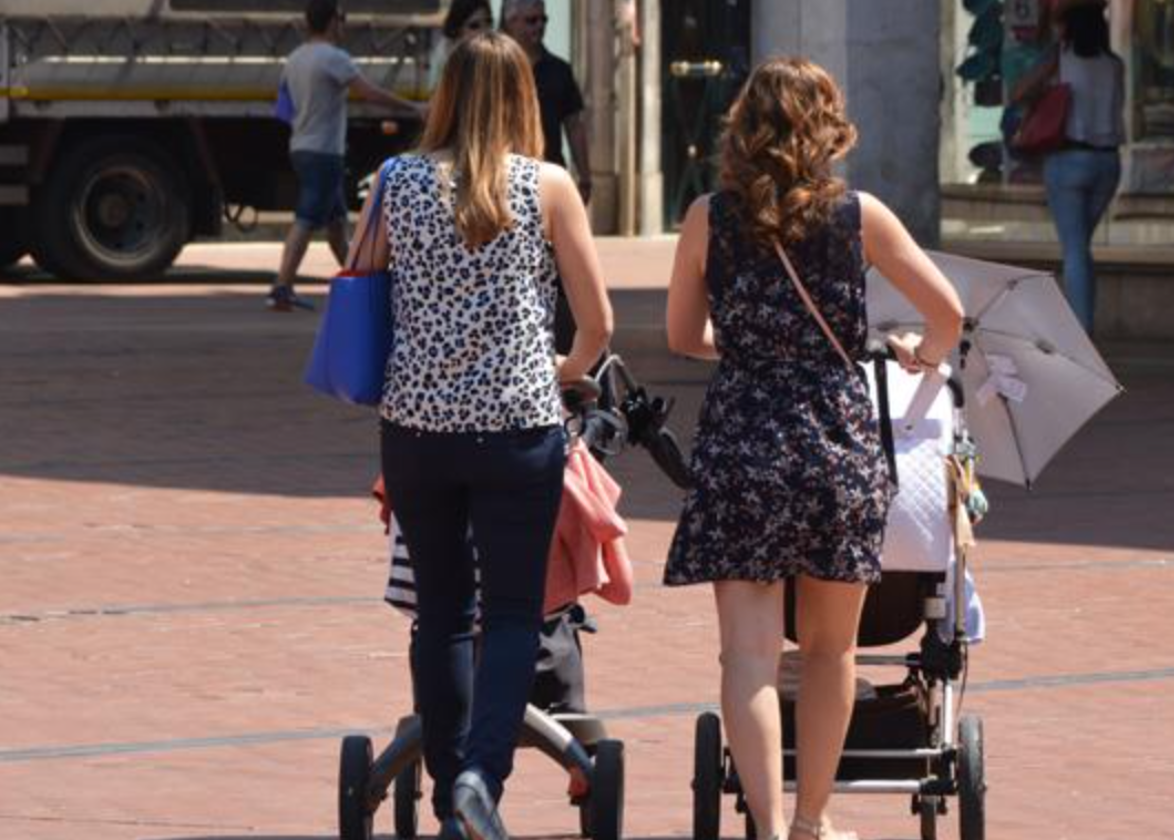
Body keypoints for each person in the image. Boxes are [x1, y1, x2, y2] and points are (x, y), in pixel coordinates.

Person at [663, 58, 963, 840]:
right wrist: (917, 355)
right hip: (835, 442)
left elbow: (680, 337)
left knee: (748, 659)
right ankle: (811, 821)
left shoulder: (707, 216)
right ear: (825, 126)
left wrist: (752, 340)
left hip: (741, 439)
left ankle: (764, 827)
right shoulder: (860, 216)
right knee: (832, 654)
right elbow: (949, 314)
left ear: (744, 126)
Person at [346, 31, 612, 840]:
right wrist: (560, 370)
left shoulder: (397, 182)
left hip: (418, 430)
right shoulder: (549, 186)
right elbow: (597, 324)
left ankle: (444, 789)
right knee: (510, 614)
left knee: (440, 614)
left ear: (446, 94)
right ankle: (477, 780)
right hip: (516, 427)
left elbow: (359, 281)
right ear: (523, 98)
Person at [268, 0, 424, 312]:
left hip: (301, 145)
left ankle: (360, 283)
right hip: (324, 150)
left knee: (337, 223)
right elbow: (369, 93)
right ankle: (281, 287)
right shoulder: (334, 58)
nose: (344, 25)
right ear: (332, 22)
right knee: (307, 218)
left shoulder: (295, 58)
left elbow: (284, 107)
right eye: (342, 18)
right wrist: (413, 108)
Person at [1014, 0, 1124, 335]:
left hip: (1067, 161)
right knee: (1079, 248)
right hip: (1108, 163)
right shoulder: (1115, 64)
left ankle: (1080, 333)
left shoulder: (1061, 57)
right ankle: (1077, 322)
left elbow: (1018, 93)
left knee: (1075, 250)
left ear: (1070, 30)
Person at [501, 0, 592, 204]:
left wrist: (585, 178)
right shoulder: (495, 69)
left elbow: (574, 125)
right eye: (531, 20)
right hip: (503, 179)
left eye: (543, 19)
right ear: (511, 21)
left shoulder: (560, 70)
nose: (539, 26)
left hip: (548, 177)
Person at [430, 0, 495, 84]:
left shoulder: (492, 54)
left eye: (488, 22)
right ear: (458, 29)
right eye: (474, 26)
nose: (484, 31)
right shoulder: (447, 57)